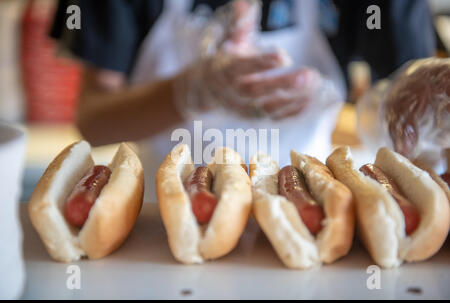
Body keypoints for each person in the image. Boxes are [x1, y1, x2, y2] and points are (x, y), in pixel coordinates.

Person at [50, 0, 436, 200]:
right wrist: (188, 93)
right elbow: (92, 119)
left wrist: (396, 112)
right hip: (155, 216)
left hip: (310, 202)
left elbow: (408, 112)